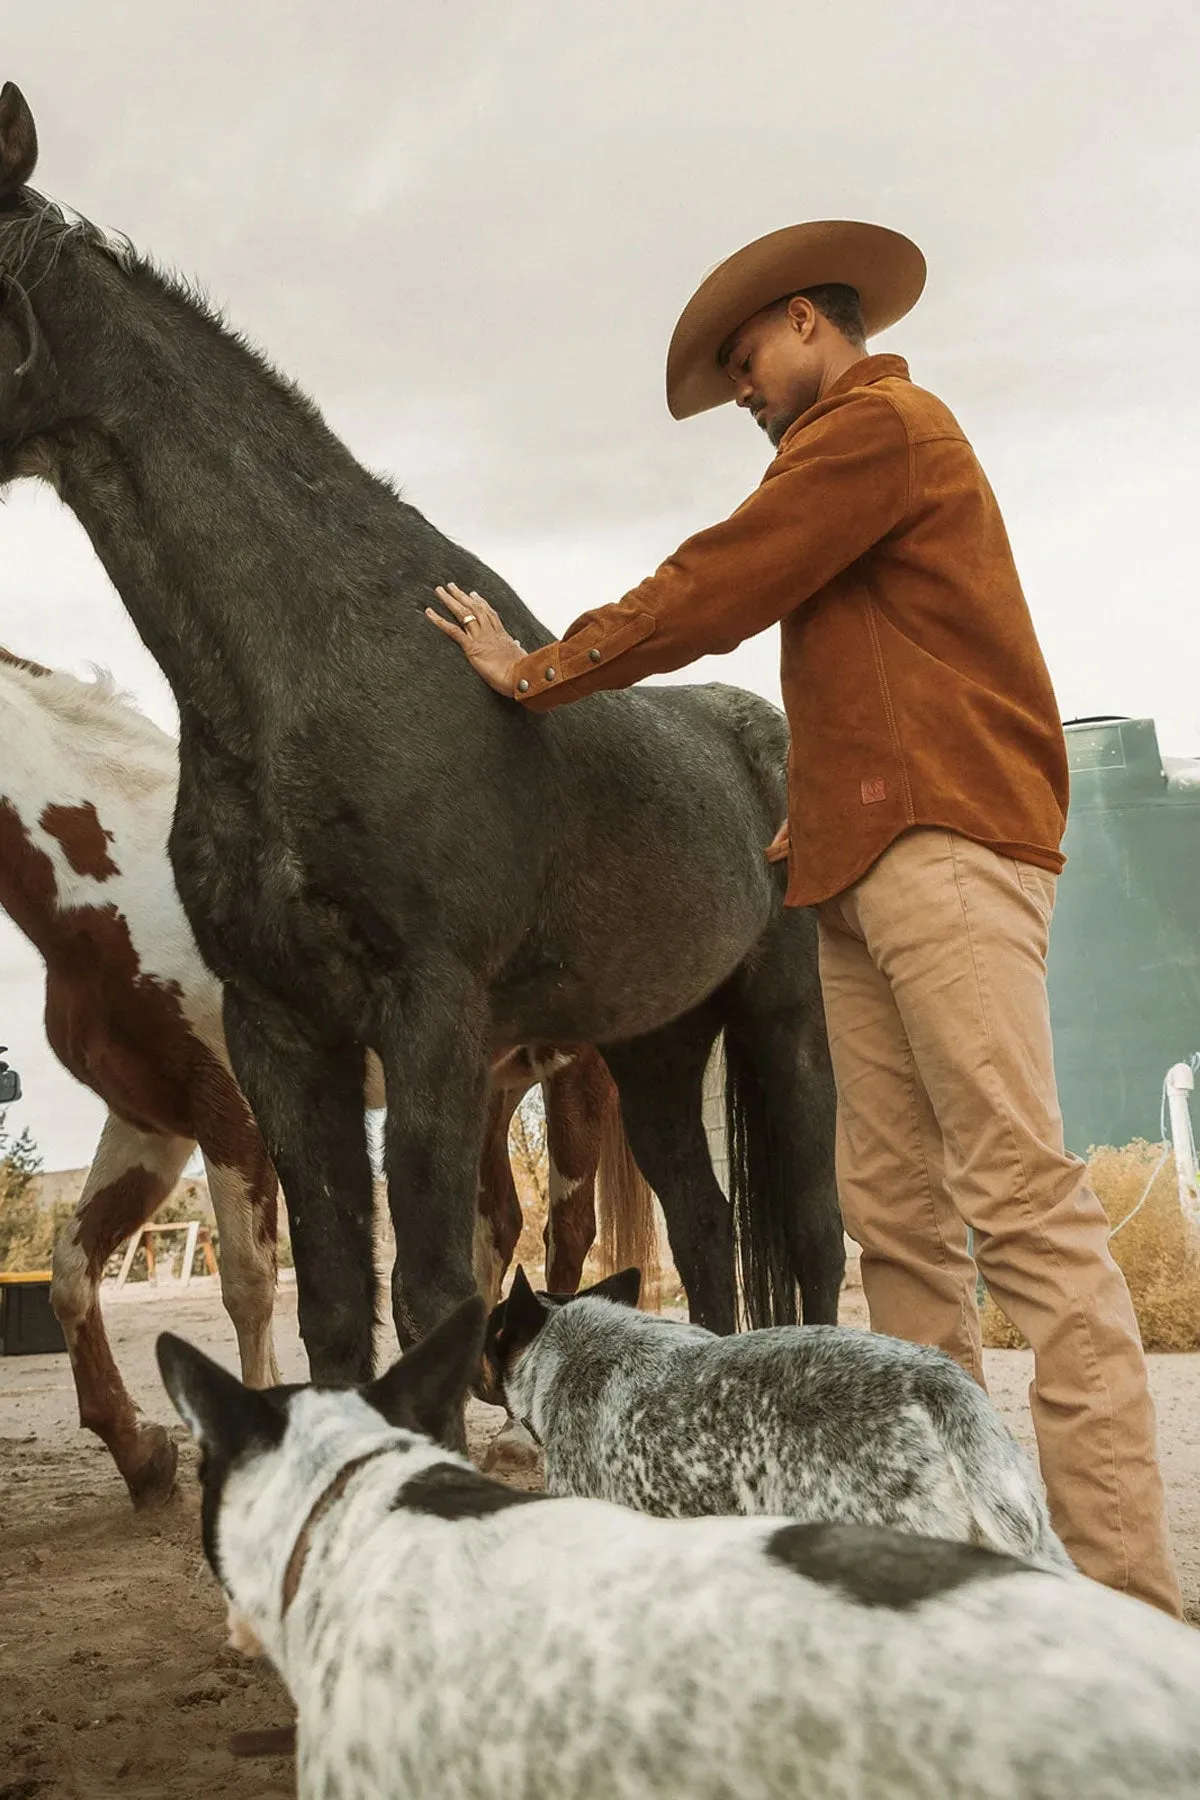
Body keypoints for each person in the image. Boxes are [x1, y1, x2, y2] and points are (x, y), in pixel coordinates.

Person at [425, 219, 1180, 1616]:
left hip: (947, 850)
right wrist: (808, 822)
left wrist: (539, 669)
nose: (742, 393)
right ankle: (959, 1583)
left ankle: (1132, 1605)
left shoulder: (880, 428)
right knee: (895, 1226)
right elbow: (872, 672)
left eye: (746, 361)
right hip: (860, 871)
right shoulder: (851, 469)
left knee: (1019, 1207)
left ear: (809, 325)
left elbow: (719, 583)